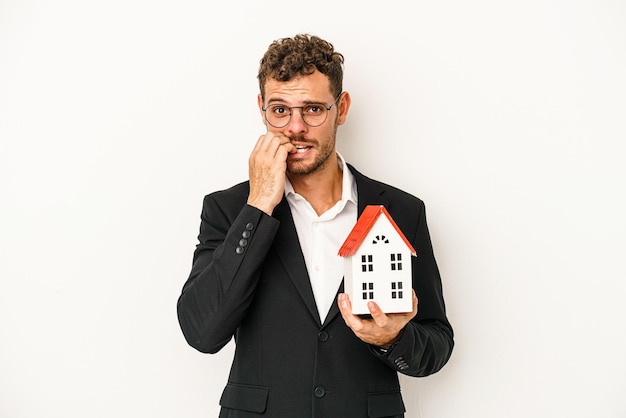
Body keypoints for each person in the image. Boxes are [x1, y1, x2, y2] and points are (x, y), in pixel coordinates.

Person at [177, 34, 454, 418]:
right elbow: (202, 332)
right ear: (261, 109)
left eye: (312, 109)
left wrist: (394, 338)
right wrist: (258, 205)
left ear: (341, 108)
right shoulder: (228, 209)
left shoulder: (403, 211)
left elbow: (436, 344)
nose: (295, 127)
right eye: (279, 110)